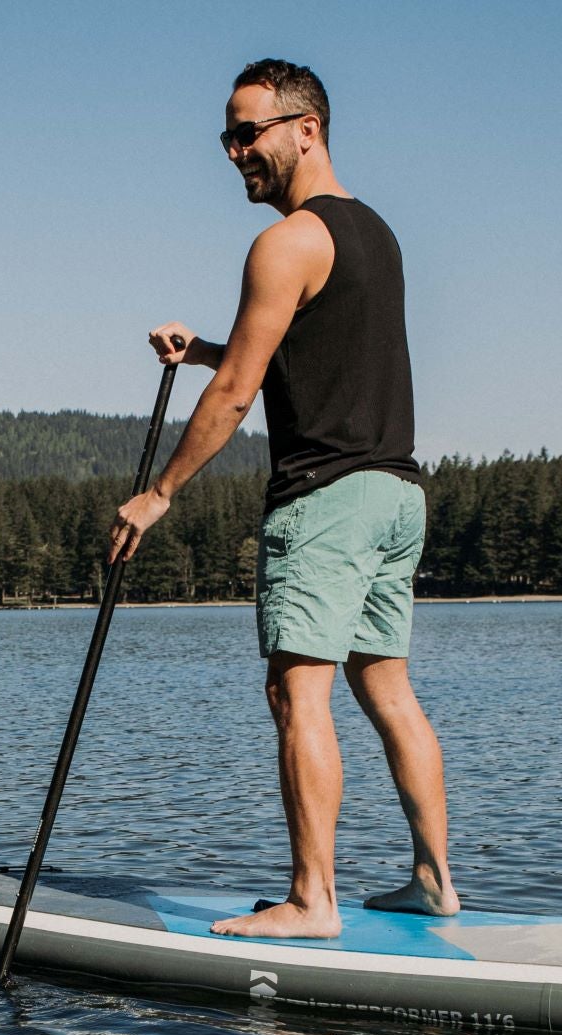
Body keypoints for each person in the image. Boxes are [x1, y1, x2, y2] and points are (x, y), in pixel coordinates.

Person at [110, 59, 459, 938]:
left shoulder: (285, 240)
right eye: (227, 138)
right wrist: (203, 350)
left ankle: (312, 900)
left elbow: (236, 392)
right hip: (395, 492)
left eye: (248, 133)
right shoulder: (373, 233)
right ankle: (433, 883)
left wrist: (157, 494)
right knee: (387, 689)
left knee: (294, 692)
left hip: (327, 499)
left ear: (306, 128)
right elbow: (297, 353)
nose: (234, 154)